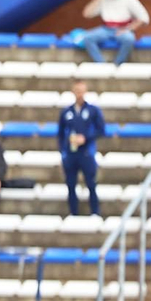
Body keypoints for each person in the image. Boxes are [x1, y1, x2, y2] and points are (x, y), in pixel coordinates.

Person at [71, 0, 149, 65]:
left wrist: (129, 28)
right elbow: (86, 14)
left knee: (129, 39)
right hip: (106, 29)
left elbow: (144, 18)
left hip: (123, 28)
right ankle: (101, 64)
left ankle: (117, 64)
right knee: (88, 38)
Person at [58, 78, 105, 216]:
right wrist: (63, 150)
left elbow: (101, 130)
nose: (79, 93)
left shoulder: (92, 110)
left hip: (86, 153)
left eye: (81, 91)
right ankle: (74, 214)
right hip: (71, 154)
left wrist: (86, 138)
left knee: (91, 184)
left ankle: (95, 213)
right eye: (77, 91)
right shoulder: (66, 112)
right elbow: (60, 133)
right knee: (71, 185)